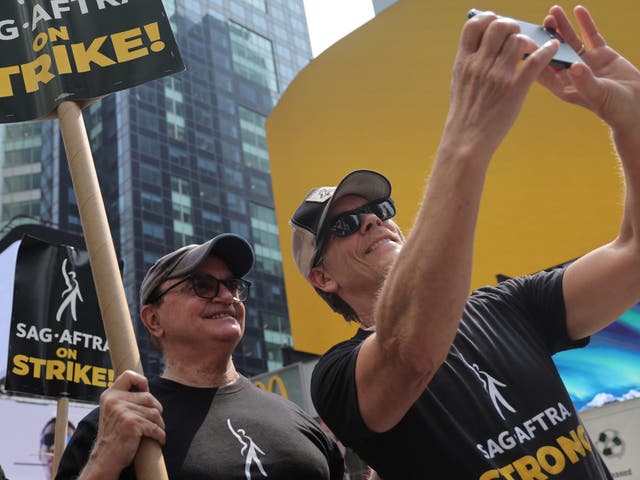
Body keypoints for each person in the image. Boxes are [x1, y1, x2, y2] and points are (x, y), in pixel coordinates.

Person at [288, 5, 640, 479]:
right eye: (345, 226)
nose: (372, 222)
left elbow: (634, 254)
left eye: (378, 212)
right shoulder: (336, 378)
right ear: (323, 277)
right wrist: (467, 136)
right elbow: (409, 351)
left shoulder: (506, 306)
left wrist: (630, 120)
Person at [56, 233, 345, 479]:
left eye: (233, 285)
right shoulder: (117, 426)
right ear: (153, 319)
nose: (227, 296)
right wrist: (103, 462)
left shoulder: (299, 420)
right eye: (202, 285)